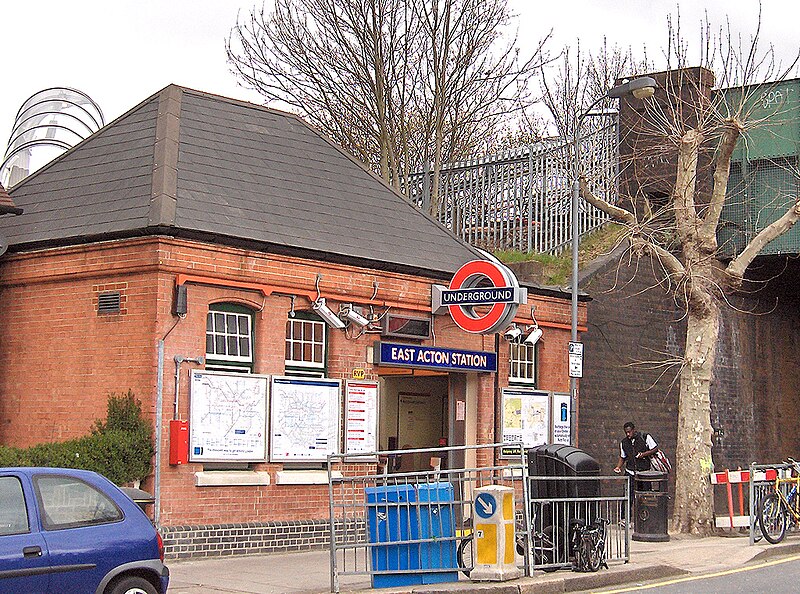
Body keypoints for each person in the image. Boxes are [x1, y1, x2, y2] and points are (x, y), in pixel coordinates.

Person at [613, 421, 658, 524]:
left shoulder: (645, 437)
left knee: (645, 496)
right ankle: (625, 519)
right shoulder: (624, 442)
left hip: (644, 473)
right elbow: (623, 457)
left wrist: (644, 454)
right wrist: (618, 467)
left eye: (629, 432)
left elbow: (655, 448)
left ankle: (645, 518)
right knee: (628, 496)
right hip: (630, 472)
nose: (628, 434)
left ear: (634, 430)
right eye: (626, 432)